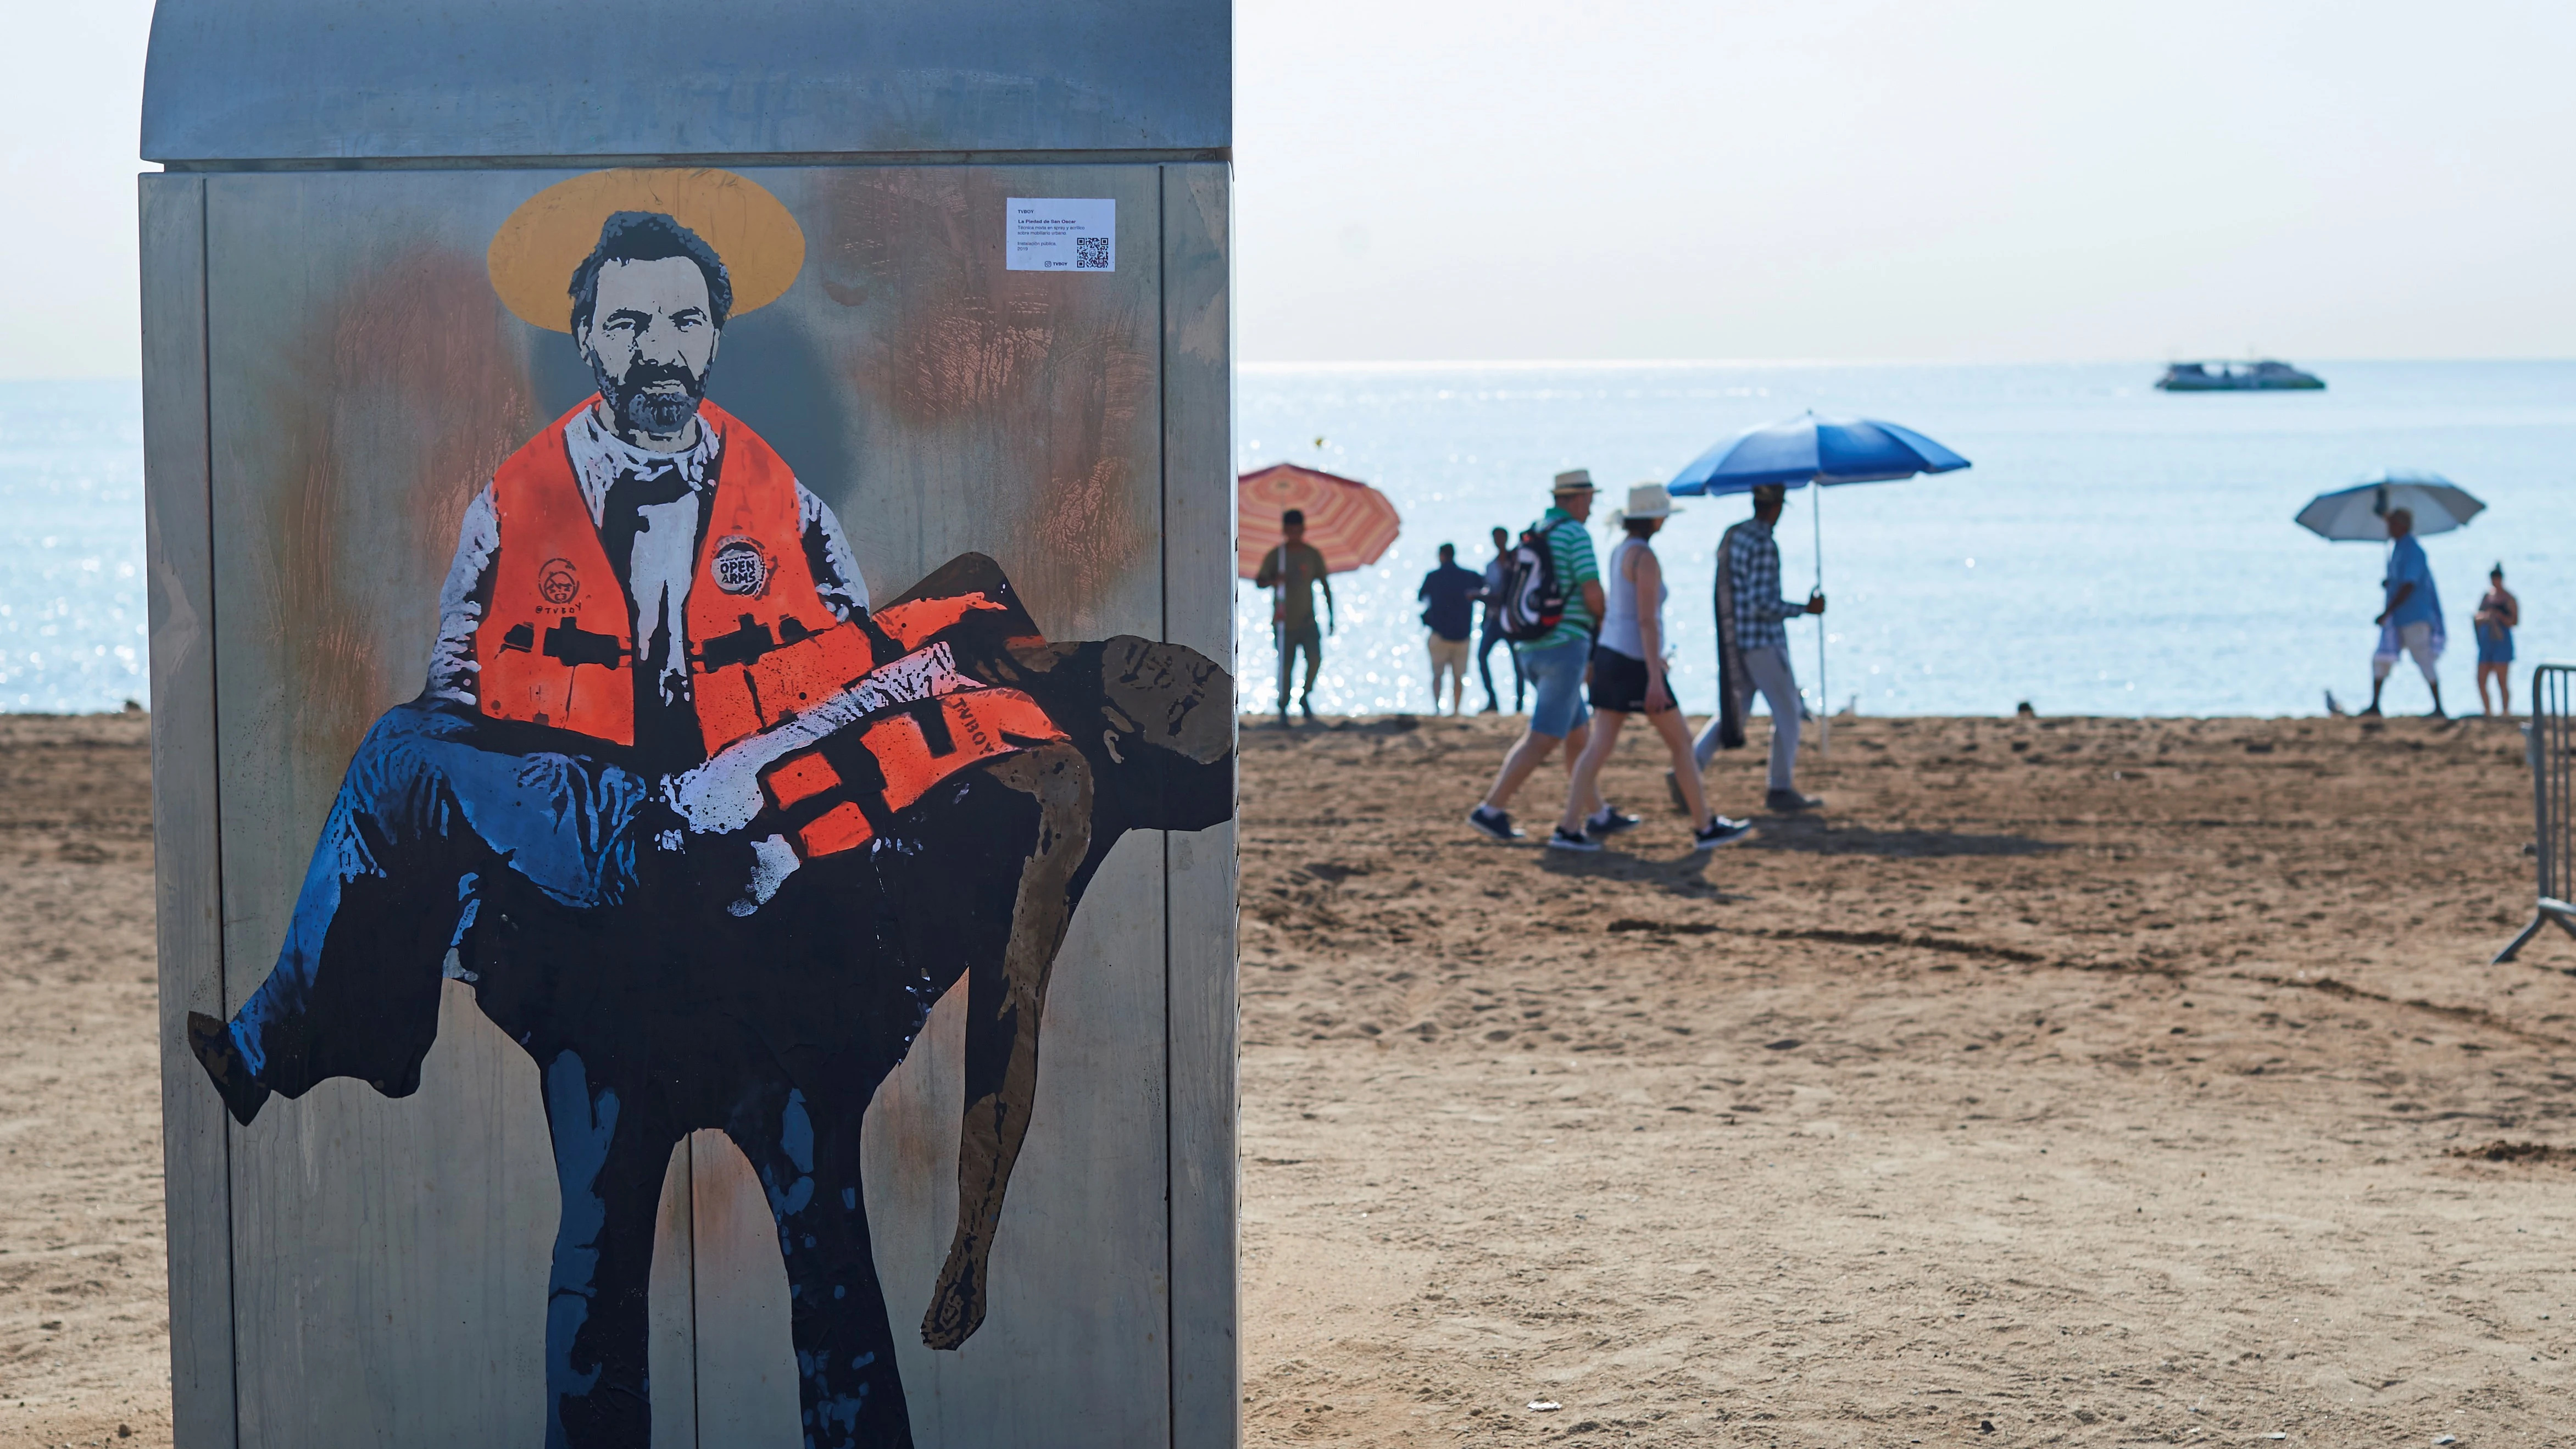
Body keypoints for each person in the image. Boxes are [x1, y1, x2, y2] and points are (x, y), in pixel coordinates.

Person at [176, 199, 1240, 1448]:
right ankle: (325, 1021)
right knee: (614, 1253)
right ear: (585, 334)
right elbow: (516, 679)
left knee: (802, 1253)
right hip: (615, 919)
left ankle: (308, 1030)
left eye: (681, 319)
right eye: (629, 321)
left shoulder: (1014, 734)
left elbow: (995, 986)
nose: (658, 346)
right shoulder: (529, 505)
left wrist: (969, 1238)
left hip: (762, 929)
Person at [1550, 486, 1754, 852]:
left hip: (1613, 656)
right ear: (1653, 519)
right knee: (1680, 745)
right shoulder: (1644, 558)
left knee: (1599, 746)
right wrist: (1655, 678)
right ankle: (1704, 826)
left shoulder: (1620, 550)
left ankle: (1567, 827)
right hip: (1633, 662)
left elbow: (1623, 614)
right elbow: (1647, 621)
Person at [1467, 470, 1634, 841]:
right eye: (1589, 499)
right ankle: (1491, 809)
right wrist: (1608, 629)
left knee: (1577, 738)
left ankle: (1599, 814)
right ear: (1575, 500)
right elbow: (1592, 593)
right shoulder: (1575, 535)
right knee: (1542, 738)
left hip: (1530, 645)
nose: (1591, 507)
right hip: (1564, 647)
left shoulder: (1537, 530)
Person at [1690, 483, 1826, 812]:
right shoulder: (1764, 543)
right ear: (1776, 507)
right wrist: (1804, 609)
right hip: (1762, 640)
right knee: (1788, 712)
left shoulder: (1734, 535)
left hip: (1737, 637)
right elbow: (1760, 604)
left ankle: (1689, 766)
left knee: (1736, 712)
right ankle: (1780, 787)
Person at [1255, 508, 1334, 726]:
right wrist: (1275, 581)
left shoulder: (1312, 555)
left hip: (1309, 621)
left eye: (1297, 529)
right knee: (1285, 667)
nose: (1293, 533)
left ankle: (1305, 696)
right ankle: (1283, 707)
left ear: (1303, 529)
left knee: (1315, 660)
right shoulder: (1277, 555)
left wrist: (1331, 617)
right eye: (1289, 530)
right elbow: (1259, 582)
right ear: (1284, 530)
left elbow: (1325, 586)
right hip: (1283, 622)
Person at [2365, 507, 2444, 718]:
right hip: (2400, 616)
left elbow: (2409, 585)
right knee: (2382, 657)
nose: (2389, 528)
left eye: (2392, 524)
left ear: (2401, 525)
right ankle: (2375, 705)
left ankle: (2439, 707)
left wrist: (2387, 611)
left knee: (2423, 658)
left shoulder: (2413, 550)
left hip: (2414, 615)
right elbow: (2402, 582)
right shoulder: (2399, 549)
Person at [1417, 542, 1483, 716]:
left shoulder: (1433, 576)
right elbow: (1484, 589)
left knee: (1438, 674)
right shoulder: (1469, 576)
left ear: (1441, 556)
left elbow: (1421, 597)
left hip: (1439, 633)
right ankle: (1456, 710)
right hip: (1463, 633)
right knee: (1458, 676)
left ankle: (1438, 710)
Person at [1476, 525, 1525, 714]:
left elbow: (1508, 592)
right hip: (1494, 619)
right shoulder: (1491, 566)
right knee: (1482, 656)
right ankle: (1493, 700)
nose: (1498, 542)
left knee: (1518, 663)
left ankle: (1519, 705)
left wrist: (1482, 596)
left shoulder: (1515, 562)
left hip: (1511, 619)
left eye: (1501, 537)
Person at [2474, 564, 2519, 717]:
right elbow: (2477, 615)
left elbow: (2515, 621)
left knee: (2502, 681)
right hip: (2487, 642)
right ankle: (2488, 711)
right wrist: (2487, 617)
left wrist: (2499, 616)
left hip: (2502, 642)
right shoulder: (2487, 597)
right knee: (2481, 679)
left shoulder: (2510, 598)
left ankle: (2505, 712)